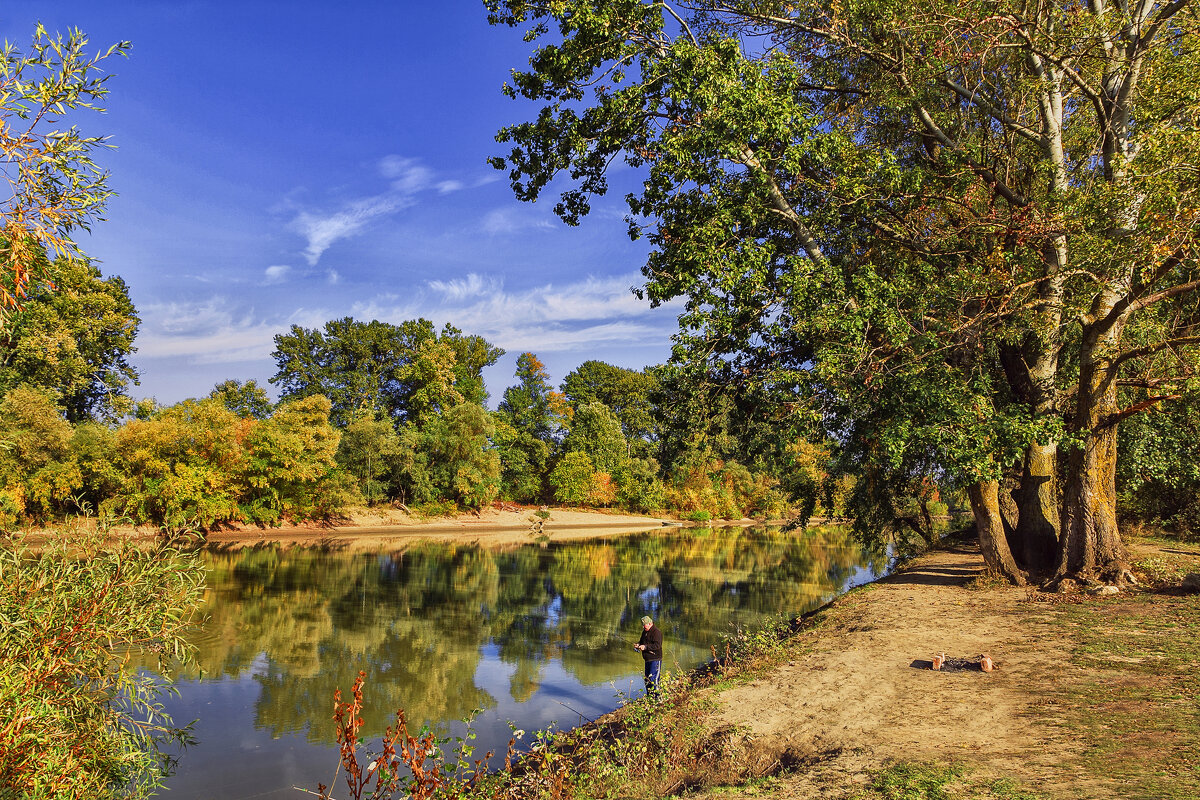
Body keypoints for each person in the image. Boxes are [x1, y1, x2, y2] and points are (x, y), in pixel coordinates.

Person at [634, 615, 663, 696]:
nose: (643, 627)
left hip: (655, 659)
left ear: (650, 623)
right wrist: (638, 644)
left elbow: (657, 646)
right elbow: (642, 641)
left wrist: (645, 647)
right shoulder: (645, 631)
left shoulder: (657, 632)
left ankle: (657, 698)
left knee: (654, 679)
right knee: (647, 679)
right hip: (647, 659)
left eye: (644, 625)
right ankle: (650, 698)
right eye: (643, 625)